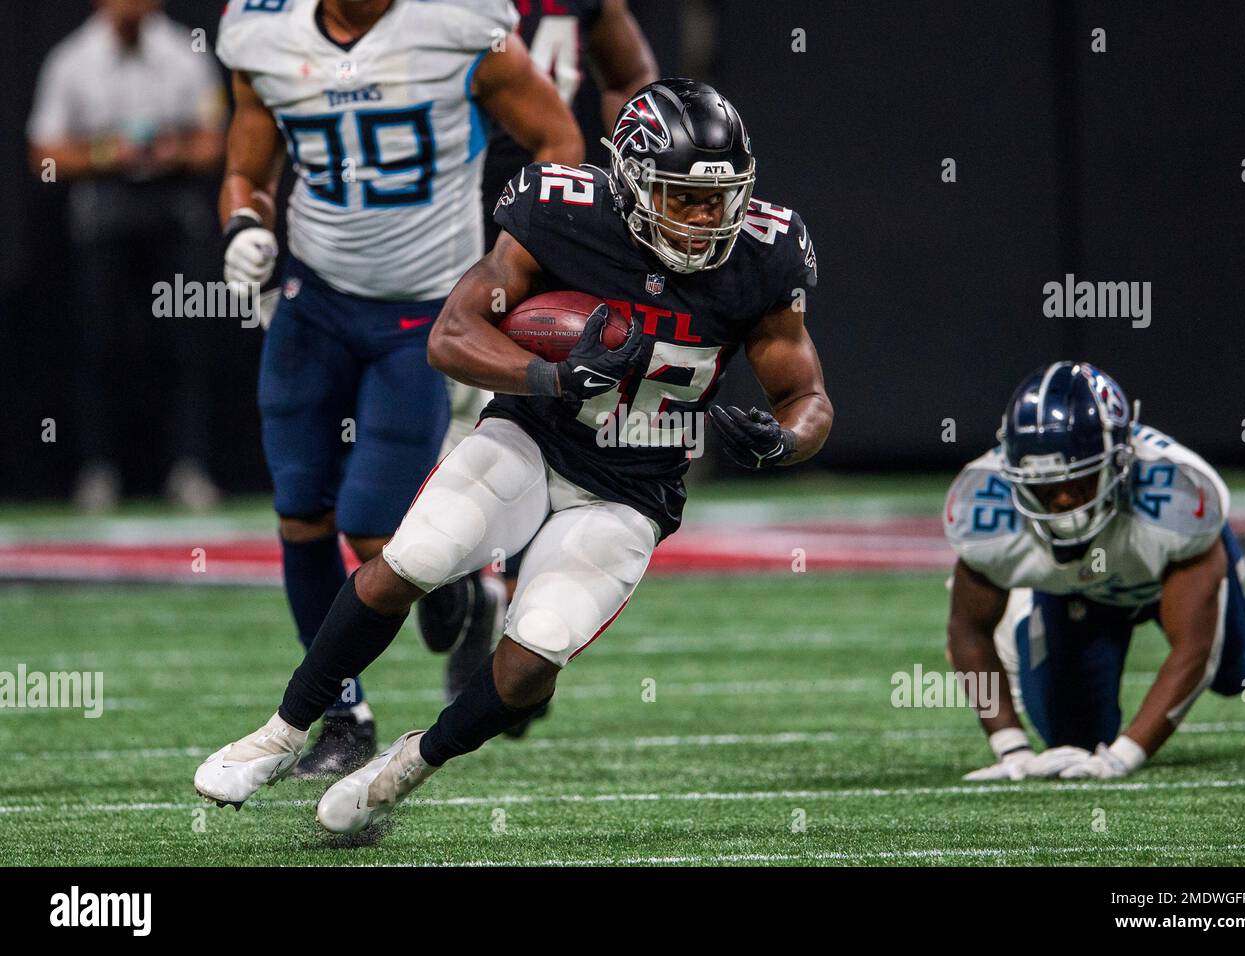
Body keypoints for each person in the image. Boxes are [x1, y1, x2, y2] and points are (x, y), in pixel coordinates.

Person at [194, 79, 832, 834]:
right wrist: (552, 375)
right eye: (681, 196)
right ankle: (282, 730)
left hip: (633, 489)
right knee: (410, 562)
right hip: (533, 436)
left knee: (533, 661)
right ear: (629, 179)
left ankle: (409, 764)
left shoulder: (765, 252)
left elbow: (808, 393)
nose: (704, 219)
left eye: (717, 199)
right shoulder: (564, 215)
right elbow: (451, 336)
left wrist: (786, 439)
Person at [215, 0, 582, 776]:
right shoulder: (263, 30)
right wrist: (245, 226)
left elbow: (559, 142)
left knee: (372, 527)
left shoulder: (457, 23)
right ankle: (343, 717)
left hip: (422, 312)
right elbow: (247, 172)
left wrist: (514, 266)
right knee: (300, 512)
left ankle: (464, 594)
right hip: (313, 304)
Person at [423, 0, 659, 737]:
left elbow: (634, 81)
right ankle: (465, 582)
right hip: (448, 218)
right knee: (444, 414)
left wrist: (627, 187)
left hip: (548, 223)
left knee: (540, 420)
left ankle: (517, 622)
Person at [944, 362, 1245, 781]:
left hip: (1163, 577)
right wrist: (1011, 748)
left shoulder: (1179, 498)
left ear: (1120, 463)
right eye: (1044, 487)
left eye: (1078, 483)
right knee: (1071, 740)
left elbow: (1195, 650)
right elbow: (967, 630)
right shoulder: (986, 506)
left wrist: (1123, 759)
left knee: (1229, 669)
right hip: (1080, 594)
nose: (1061, 502)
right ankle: (1028, 607)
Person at [27, 0, 226, 513]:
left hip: (174, 212)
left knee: (185, 343)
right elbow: (43, 154)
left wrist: (171, 153)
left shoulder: (185, 52)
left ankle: (189, 468)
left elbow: (213, 144)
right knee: (99, 344)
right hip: (103, 215)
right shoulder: (72, 59)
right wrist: (104, 154)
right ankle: (98, 470)